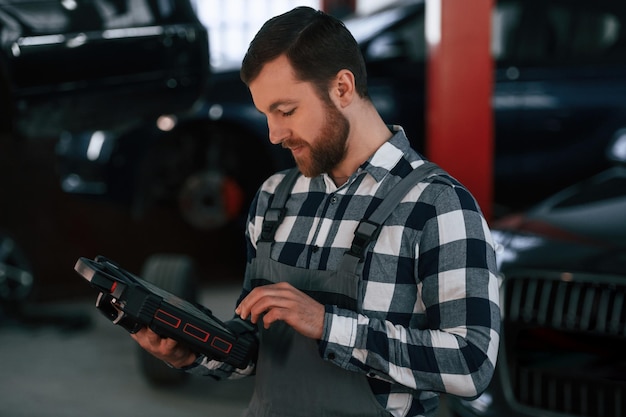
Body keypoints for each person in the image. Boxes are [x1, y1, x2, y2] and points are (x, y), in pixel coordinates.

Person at [131, 6, 501, 417]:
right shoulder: (274, 197)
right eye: (266, 115)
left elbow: (472, 365)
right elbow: (258, 349)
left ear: (342, 87)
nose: (274, 135)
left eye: (286, 111)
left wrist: (327, 324)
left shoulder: (437, 206)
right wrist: (193, 351)